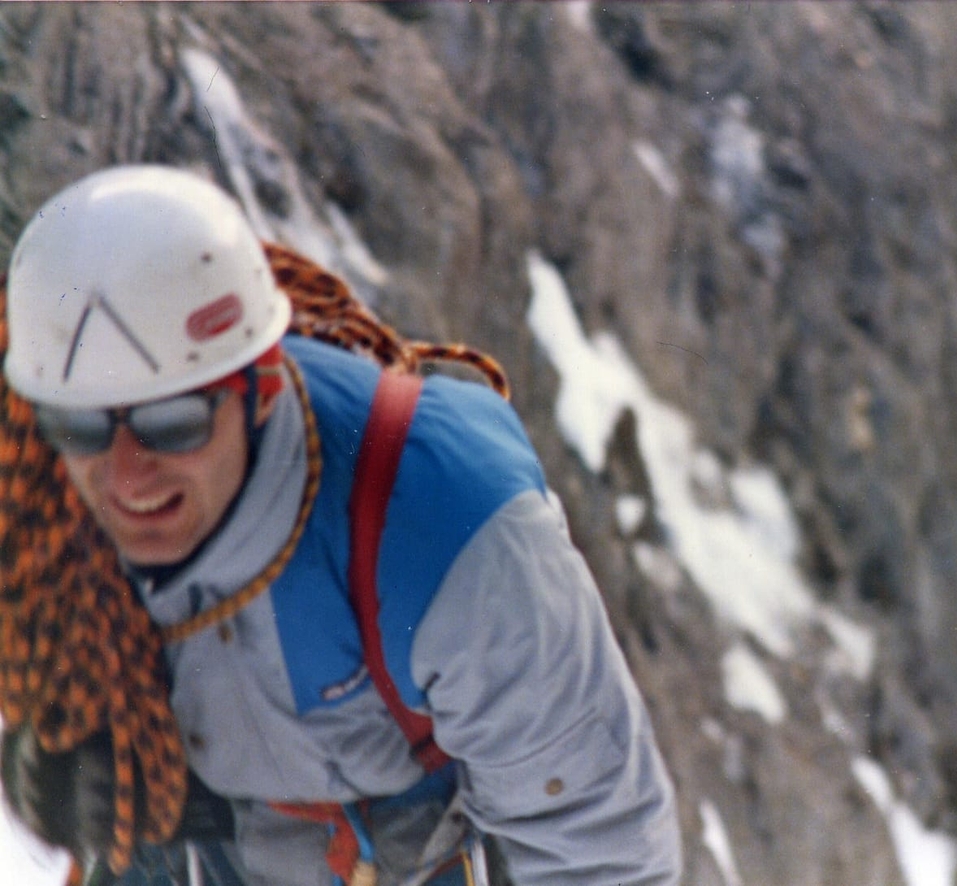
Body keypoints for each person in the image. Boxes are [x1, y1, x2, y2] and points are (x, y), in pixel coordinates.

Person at [0, 165, 683, 886]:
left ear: (261, 386)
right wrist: (48, 757)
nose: (126, 476)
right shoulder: (36, 493)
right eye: (78, 428)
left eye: (173, 424)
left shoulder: (449, 531)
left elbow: (599, 848)